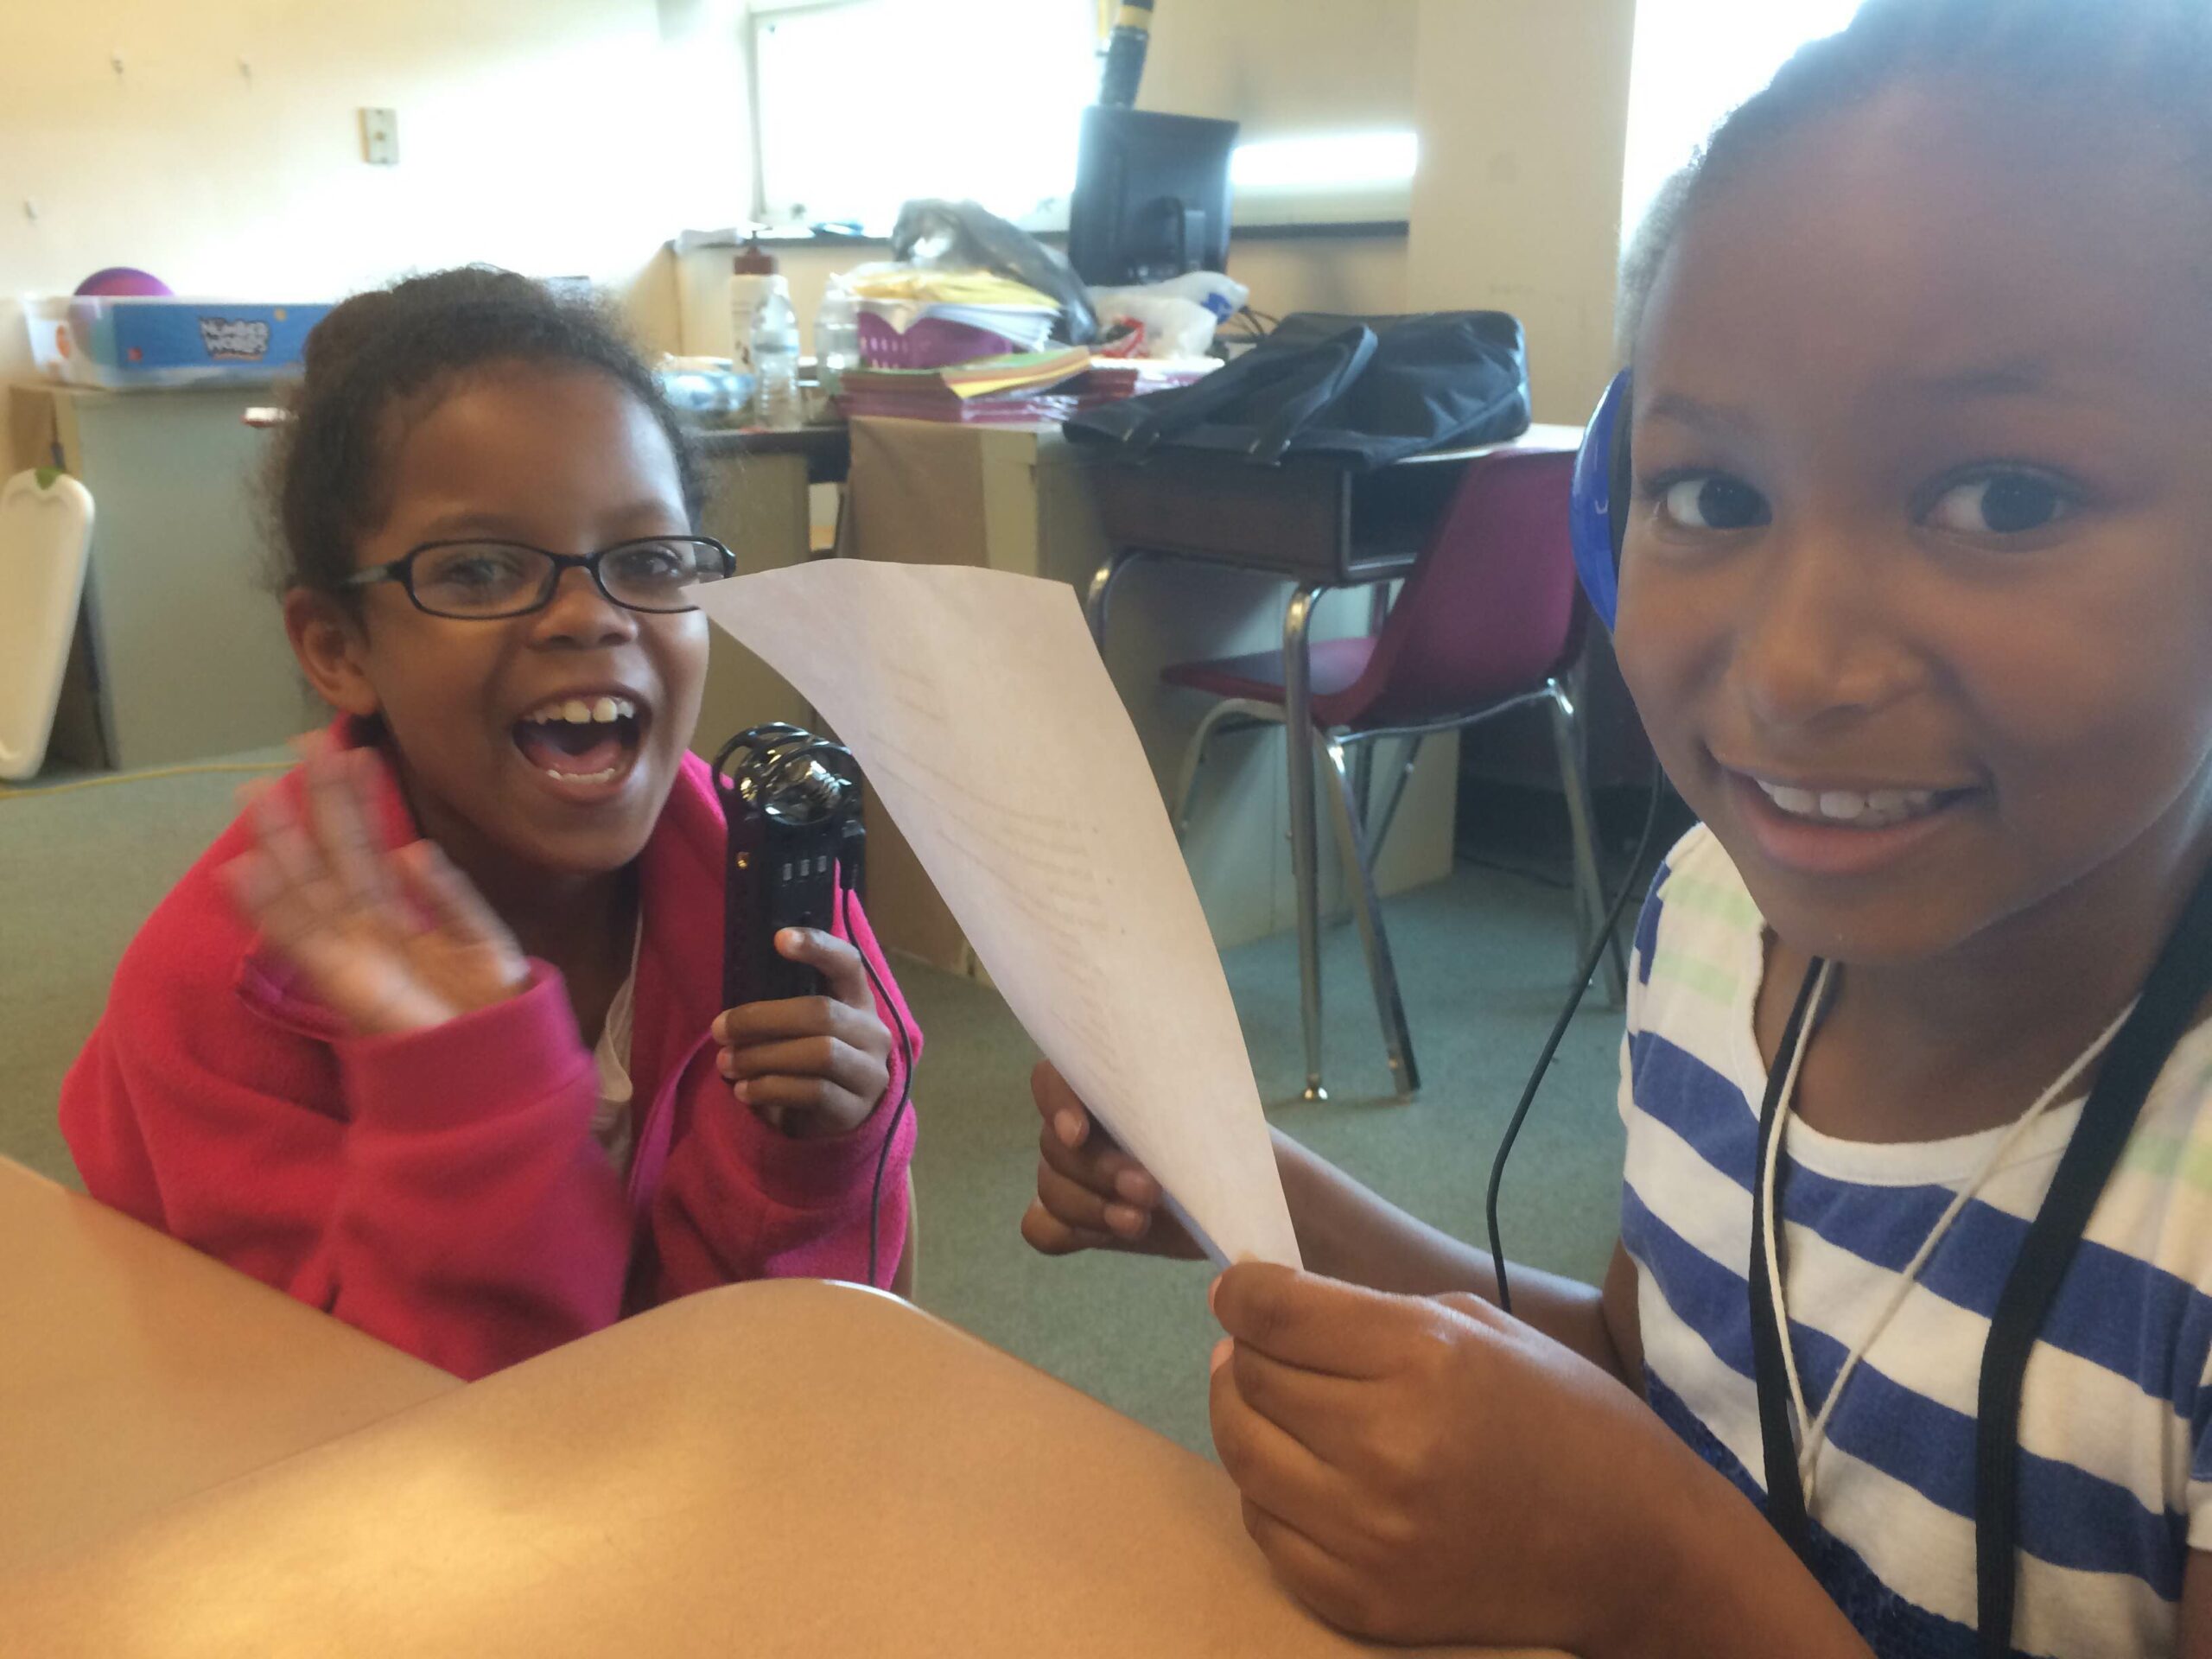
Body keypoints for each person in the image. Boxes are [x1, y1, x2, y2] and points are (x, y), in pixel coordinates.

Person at [1021, 2, 2212, 1653]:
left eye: (2003, 497)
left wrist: (1656, 1581)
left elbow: (1666, 1519)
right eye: (1713, 497)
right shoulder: (1717, 921)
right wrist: (1261, 1196)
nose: (1792, 674)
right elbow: (1673, 1391)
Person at [60, 267, 921, 1381]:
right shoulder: (222, 991)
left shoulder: (773, 899)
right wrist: (472, 1103)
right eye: (476, 569)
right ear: (339, 646)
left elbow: (819, 1362)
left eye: (650, 560)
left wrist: (812, 1160)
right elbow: (358, 1439)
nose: (590, 615)